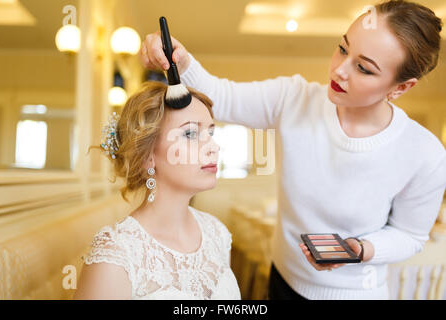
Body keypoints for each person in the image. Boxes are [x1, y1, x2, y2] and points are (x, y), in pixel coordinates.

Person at [141, 0, 446, 299]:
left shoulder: (424, 154)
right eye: (342, 48)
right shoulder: (294, 99)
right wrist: (181, 62)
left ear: (401, 87)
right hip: (283, 279)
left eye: (363, 68)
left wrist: (362, 249)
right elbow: (221, 95)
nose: (340, 70)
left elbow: (411, 236)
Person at [73, 81, 241, 300]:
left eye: (210, 132)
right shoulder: (116, 256)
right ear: (148, 156)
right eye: (190, 134)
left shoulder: (216, 234)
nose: (213, 147)